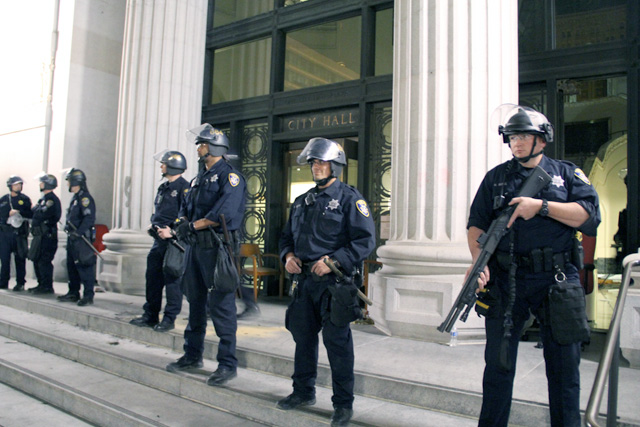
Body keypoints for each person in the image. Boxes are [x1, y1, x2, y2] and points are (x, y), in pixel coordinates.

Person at [467, 105, 600, 427]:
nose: (518, 142)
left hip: (556, 278)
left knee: (564, 368)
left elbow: (589, 216)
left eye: (525, 135)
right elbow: (476, 225)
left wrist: (540, 206)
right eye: (513, 136)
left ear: (543, 139)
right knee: (497, 367)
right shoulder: (496, 177)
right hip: (506, 278)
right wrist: (478, 265)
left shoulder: (566, 173)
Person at [277, 137, 376, 427]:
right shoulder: (301, 201)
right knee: (303, 339)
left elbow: (365, 241)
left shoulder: (350, 199)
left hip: (335, 284)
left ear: (336, 166)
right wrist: (288, 256)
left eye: (322, 162)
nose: (317, 167)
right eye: (314, 162)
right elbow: (285, 238)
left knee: (337, 344)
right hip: (304, 282)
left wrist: (333, 260)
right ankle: (302, 392)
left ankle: (343, 405)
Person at [161, 124, 246, 387]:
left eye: (202, 144)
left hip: (217, 249)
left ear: (214, 147)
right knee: (195, 302)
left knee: (221, 307)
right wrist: (184, 222)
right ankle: (192, 355)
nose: (198, 148)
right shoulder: (199, 178)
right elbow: (187, 209)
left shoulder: (230, 177)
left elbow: (224, 214)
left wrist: (193, 225)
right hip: (195, 248)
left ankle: (227, 364)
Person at [130, 150, 189, 332]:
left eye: (164, 163)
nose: (161, 166)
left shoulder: (185, 188)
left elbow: (187, 216)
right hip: (159, 241)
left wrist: (172, 231)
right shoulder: (163, 188)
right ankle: (150, 314)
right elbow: (160, 212)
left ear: (172, 165)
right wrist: (153, 225)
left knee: (172, 281)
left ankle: (169, 319)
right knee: (153, 278)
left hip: (174, 242)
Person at [59, 168, 97, 306]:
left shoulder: (85, 198)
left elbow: (89, 218)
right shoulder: (76, 198)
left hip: (82, 239)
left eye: (69, 181)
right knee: (72, 266)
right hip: (73, 238)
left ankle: (88, 295)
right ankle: (73, 292)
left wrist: (78, 232)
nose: (68, 184)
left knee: (84, 266)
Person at [27, 173, 62, 294]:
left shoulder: (51, 200)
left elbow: (44, 215)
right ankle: (41, 283)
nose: (40, 184)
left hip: (47, 235)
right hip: (39, 235)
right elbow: (34, 212)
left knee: (44, 261)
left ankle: (47, 286)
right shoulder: (43, 199)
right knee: (36, 259)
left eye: (42, 182)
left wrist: (38, 214)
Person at [0, 176, 33, 291]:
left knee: (20, 258)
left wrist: (19, 212)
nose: (18, 187)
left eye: (20, 184)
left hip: (19, 234)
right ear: (10, 186)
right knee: (4, 259)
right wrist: (7, 215)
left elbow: (30, 214)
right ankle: (3, 281)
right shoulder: (4, 199)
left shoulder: (25, 199)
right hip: (5, 233)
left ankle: (20, 282)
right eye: (16, 185)